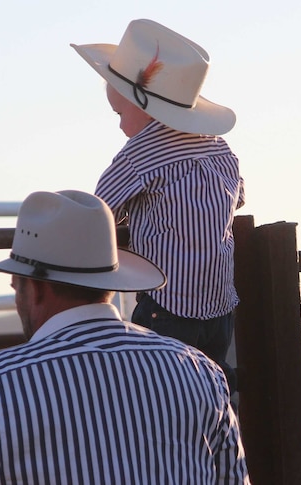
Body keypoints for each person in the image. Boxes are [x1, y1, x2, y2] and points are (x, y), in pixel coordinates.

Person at [0, 190, 248, 484]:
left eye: (16, 280)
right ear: (111, 280)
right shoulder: (200, 372)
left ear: (34, 288)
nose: (12, 288)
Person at [70, 19, 244, 394]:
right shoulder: (219, 149)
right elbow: (238, 197)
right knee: (209, 393)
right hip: (219, 306)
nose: (119, 127)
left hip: (167, 305)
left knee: (156, 391)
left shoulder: (141, 155)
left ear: (144, 109)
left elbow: (99, 210)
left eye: (120, 115)